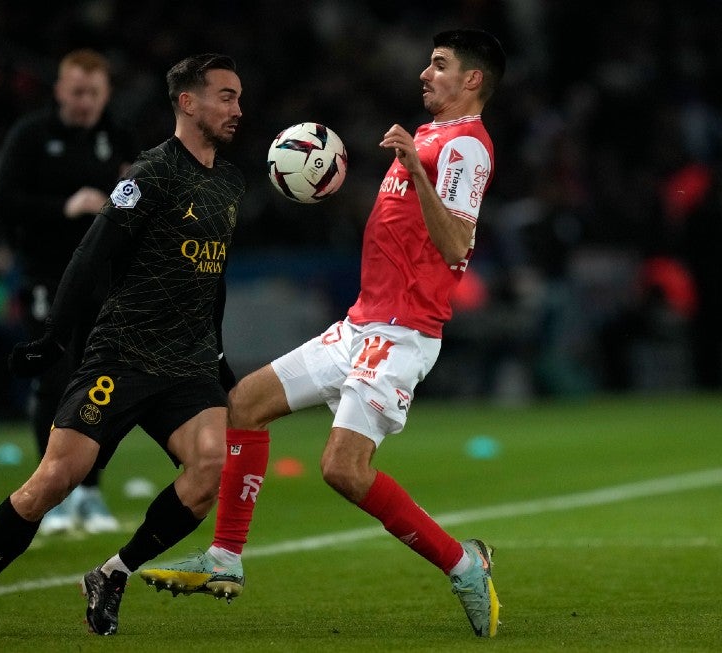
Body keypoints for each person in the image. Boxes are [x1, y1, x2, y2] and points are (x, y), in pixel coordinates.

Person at [142, 29, 506, 638]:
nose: (424, 72)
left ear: (472, 80)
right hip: (360, 323)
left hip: (403, 331)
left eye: (439, 65)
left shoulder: (466, 146)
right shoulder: (427, 137)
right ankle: (225, 558)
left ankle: (463, 564)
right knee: (244, 404)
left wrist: (415, 170)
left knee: (342, 469)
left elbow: (457, 246)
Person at [0, 52, 244, 638]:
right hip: (123, 355)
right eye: (226, 96)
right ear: (187, 102)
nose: (238, 109)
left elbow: (215, 276)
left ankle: (114, 571)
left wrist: (220, 356)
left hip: (188, 365)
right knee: (56, 477)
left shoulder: (229, 182)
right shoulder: (150, 174)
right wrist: (56, 338)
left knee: (210, 470)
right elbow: (90, 255)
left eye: (238, 97)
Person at [0, 48, 137, 533]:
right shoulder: (31, 136)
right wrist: (65, 207)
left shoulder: (117, 137)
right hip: (46, 277)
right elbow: (4, 201)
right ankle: (51, 494)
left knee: (99, 385)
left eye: (94, 93)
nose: (84, 102)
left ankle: (91, 494)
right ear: (59, 90)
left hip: (102, 279)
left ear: (106, 94)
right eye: (77, 91)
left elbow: (146, 193)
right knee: (54, 381)